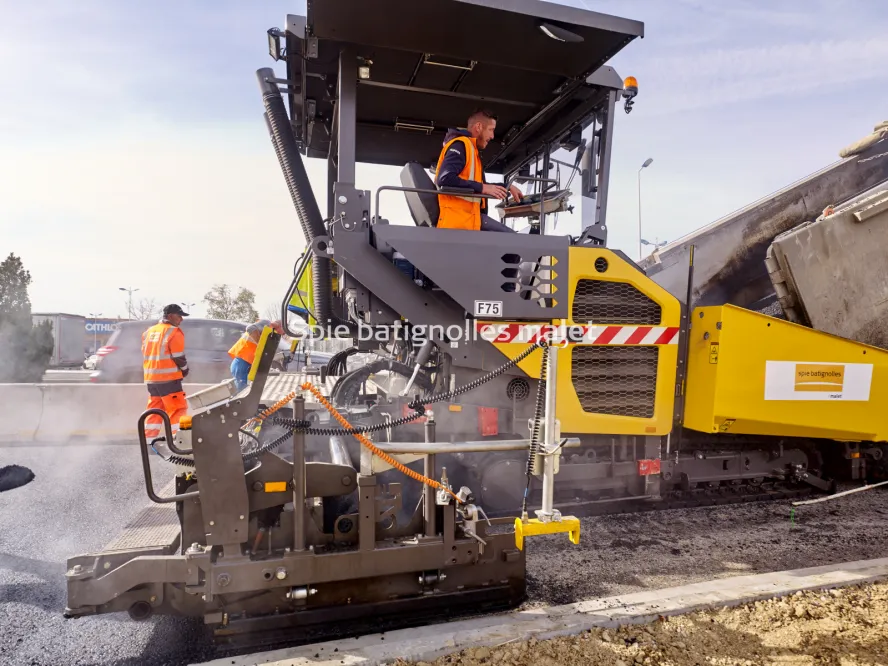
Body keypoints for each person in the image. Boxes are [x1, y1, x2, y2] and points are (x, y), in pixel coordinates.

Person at [435, 109, 522, 232]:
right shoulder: (461, 145)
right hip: (459, 220)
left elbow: (473, 184)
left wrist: (506, 187)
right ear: (479, 127)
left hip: (471, 218)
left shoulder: (472, 150)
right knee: (515, 240)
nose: (492, 136)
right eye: (491, 130)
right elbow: (444, 178)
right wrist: (483, 188)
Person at [142, 304, 190, 443]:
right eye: (179, 316)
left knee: (155, 409)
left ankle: (149, 441)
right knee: (177, 410)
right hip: (169, 379)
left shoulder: (149, 332)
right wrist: (185, 370)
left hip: (151, 379)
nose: (181, 319)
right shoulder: (174, 332)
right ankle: (180, 441)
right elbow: (178, 356)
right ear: (170, 316)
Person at [228, 319, 283, 391]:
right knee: (241, 393)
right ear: (280, 326)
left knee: (246, 391)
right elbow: (250, 328)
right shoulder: (266, 323)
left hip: (247, 363)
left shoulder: (271, 332)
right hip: (241, 363)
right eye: (283, 332)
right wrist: (259, 342)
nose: (282, 334)